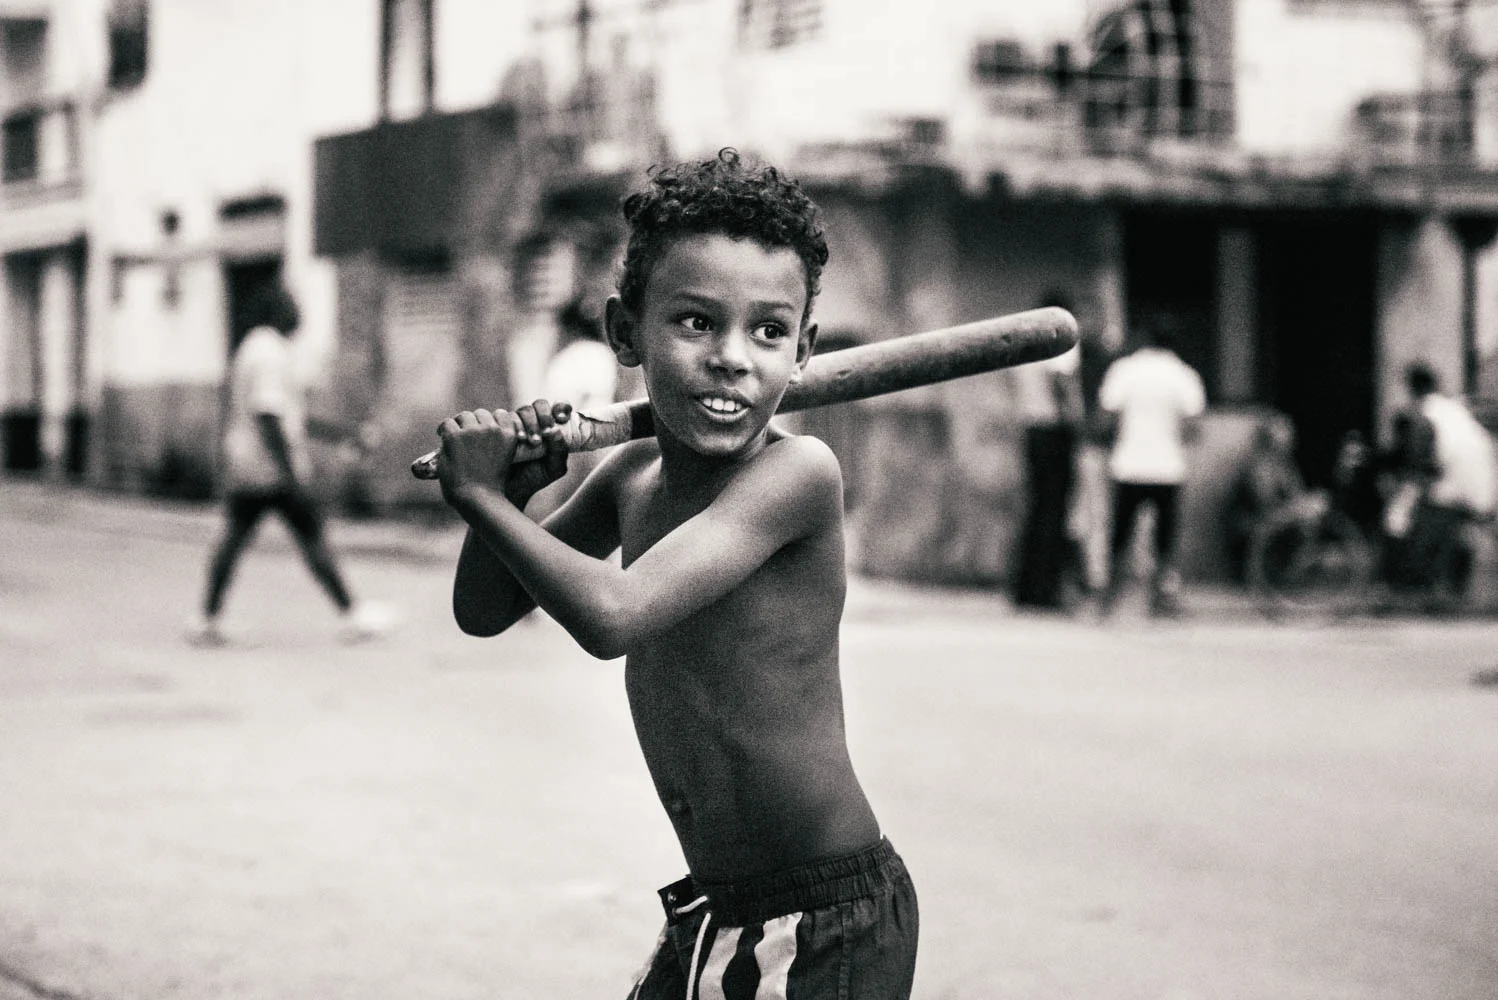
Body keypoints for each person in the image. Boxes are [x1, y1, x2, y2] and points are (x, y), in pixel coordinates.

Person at [432, 149, 918, 998]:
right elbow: (484, 609)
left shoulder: (797, 476)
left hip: (825, 919)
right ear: (626, 332)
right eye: (695, 322)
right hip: (718, 907)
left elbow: (614, 616)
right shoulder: (629, 478)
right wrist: (513, 493)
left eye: (768, 331)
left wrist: (480, 499)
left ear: (802, 350)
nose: (733, 358)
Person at [189, 284, 393, 646]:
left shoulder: (256, 348)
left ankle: (208, 618)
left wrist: (342, 433)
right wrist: (288, 473)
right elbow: (268, 416)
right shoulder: (268, 352)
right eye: (293, 305)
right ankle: (353, 613)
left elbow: (290, 416)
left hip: (249, 464)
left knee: (236, 539)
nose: (300, 313)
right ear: (277, 310)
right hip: (268, 469)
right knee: (310, 537)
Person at [1096, 316, 1206, 617]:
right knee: (1165, 540)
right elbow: (1194, 427)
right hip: (1167, 467)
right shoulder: (1185, 376)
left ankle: (1108, 601)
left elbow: (1106, 418)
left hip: (1128, 464)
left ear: (1146, 337)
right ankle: (1162, 600)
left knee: (1119, 536)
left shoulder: (1125, 370)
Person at [1381, 362, 1496, 597]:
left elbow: (1419, 460)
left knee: (1408, 518)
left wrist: (1401, 478)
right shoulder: (1452, 409)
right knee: (1429, 512)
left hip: (1460, 485)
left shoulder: (1426, 415)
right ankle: (1438, 582)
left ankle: (1418, 584)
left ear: (1413, 389)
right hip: (1481, 481)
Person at [1012, 291, 1085, 609]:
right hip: (1054, 429)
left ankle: (1026, 588)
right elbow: (1063, 382)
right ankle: (1045, 590)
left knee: (1037, 507)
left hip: (1031, 427)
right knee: (1054, 510)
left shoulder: (1025, 340)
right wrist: (1078, 422)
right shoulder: (1058, 335)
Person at [525, 296, 620, 522]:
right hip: (599, 433)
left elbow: (565, 401)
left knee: (564, 507)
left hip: (571, 435)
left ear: (570, 327)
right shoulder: (602, 353)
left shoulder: (568, 357)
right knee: (591, 507)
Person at [1224, 414, 1305, 583]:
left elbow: (1296, 494)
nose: (1288, 438)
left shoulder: (1284, 465)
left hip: (1272, 520)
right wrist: (1295, 509)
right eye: (1283, 433)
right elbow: (1264, 503)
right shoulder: (1258, 465)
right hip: (1251, 524)